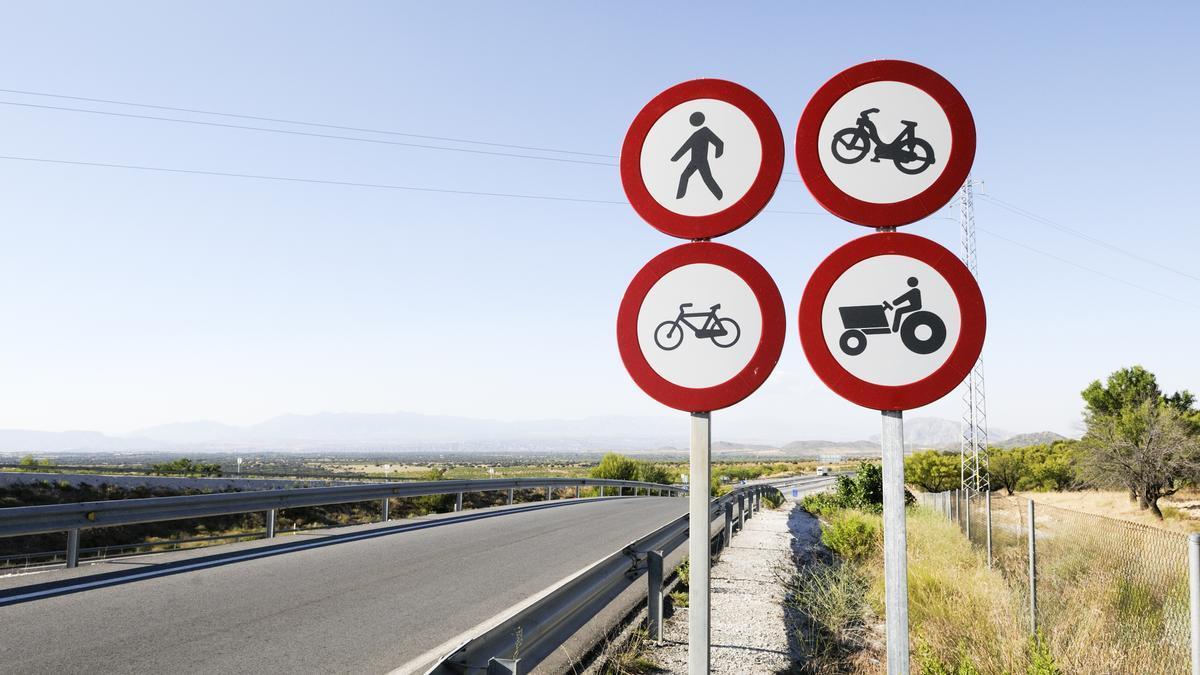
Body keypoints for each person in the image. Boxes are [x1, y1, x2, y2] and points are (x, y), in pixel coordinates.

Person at [671, 111, 724, 200]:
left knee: (707, 179)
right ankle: (679, 198)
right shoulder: (695, 134)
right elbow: (685, 147)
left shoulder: (705, 131)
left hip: (702, 161)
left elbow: (719, 143)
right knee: (684, 176)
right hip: (694, 161)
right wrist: (675, 158)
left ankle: (720, 196)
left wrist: (718, 154)